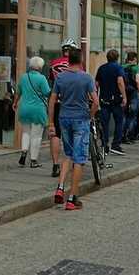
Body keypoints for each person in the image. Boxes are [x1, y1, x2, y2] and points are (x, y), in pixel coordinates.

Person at [48, 46, 98, 211]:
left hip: (64, 118)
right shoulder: (86, 78)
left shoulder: (60, 77)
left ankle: (60, 187)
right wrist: (90, 115)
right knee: (79, 158)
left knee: (67, 154)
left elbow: (52, 101)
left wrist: (51, 123)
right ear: (81, 60)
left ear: (68, 60)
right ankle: (72, 198)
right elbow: (96, 102)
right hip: (80, 119)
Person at [48, 38, 80, 178]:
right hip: (72, 103)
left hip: (57, 102)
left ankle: (55, 165)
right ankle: (70, 162)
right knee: (72, 134)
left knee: (55, 134)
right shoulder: (76, 64)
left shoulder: (54, 63)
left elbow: (51, 80)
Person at [14, 56, 50, 168]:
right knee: (36, 136)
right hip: (37, 110)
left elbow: (18, 92)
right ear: (40, 67)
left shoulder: (23, 77)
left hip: (24, 108)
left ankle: (24, 153)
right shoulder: (42, 78)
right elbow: (47, 92)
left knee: (26, 132)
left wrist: (15, 102)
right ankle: (33, 160)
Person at [95, 49, 127, 156]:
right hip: (116, 100)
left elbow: (96, 84)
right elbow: (120, 82)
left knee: (105, 123)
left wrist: (96, 96)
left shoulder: (101, 68)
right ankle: (116, 145)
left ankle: (105, 145)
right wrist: (124, 97)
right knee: (119, 122)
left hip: (104, 99)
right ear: (117, 57)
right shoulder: (118, 68)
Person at [122, 51, 139, 143]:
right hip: (133, 92)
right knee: (133, 115)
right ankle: (130, 135)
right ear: (134, 59)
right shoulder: (136, 68)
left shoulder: (122, 67)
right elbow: (137, 81)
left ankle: (122, 135)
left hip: (124, 92)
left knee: (124, 115)